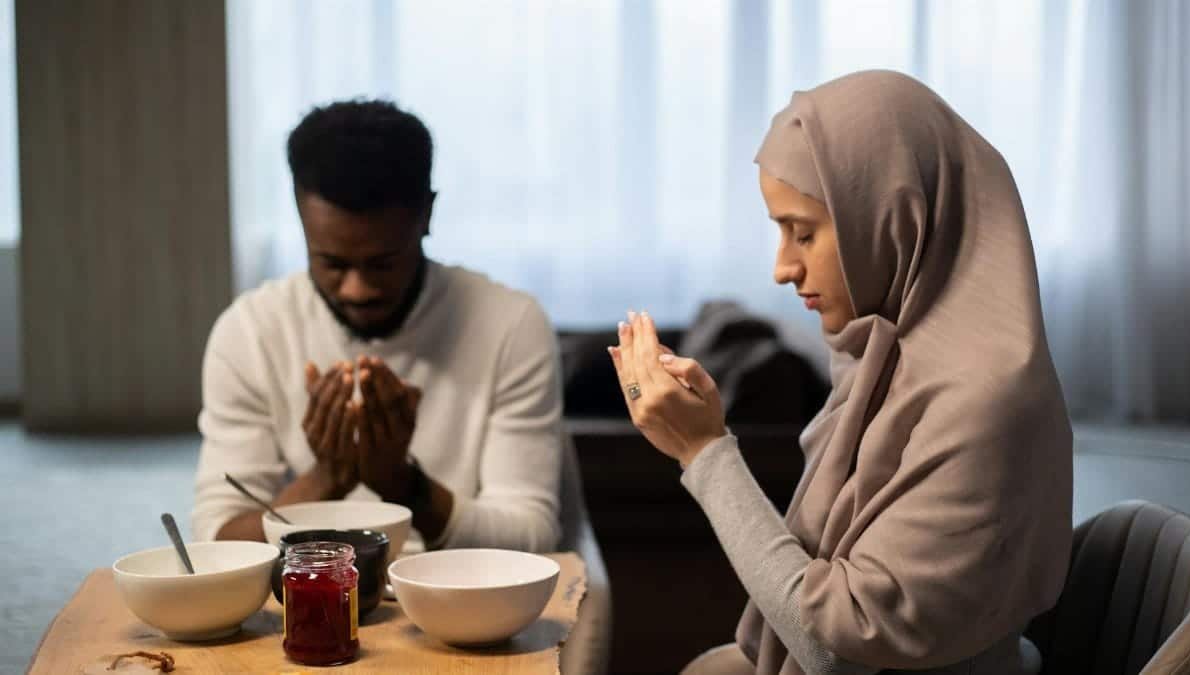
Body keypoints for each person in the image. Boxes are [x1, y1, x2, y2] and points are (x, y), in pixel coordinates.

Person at [610, 71, 1072, 674]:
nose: (782, 267)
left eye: (803, 232)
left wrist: (704, 451)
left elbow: (841, 648)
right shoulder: (882, 360)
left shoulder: (985, 405)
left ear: (893, 218)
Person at [192, 100, 563, 554]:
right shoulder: (248, 333)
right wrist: (326, 478)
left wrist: (403, 484)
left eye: (383, 263)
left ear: (426, 215)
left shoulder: (511, 326)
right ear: (301, 217)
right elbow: (216, 539)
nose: (357, 289)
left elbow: (533, 537)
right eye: (331, 262)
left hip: (465, 599)